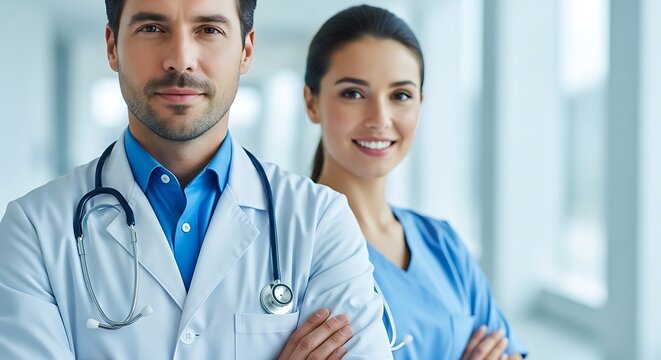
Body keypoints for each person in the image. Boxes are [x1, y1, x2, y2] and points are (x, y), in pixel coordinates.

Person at [0, 0, 393, 359]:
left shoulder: (320, 220)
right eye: (152, 28)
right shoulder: (34, 228)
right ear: (112, 47)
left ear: (246, 50)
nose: (180, 60)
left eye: (209, 30)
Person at [301, 5, 527, 359]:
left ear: (420, 103)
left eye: (400, 96)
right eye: (353, 93)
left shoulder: (444, 246)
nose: (380, 118)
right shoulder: (288, 247)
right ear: (312, 103)